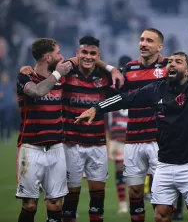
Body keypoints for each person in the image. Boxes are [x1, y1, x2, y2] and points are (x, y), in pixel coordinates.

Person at [75, 16, 188, 222]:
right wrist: (96, 108)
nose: (171, 64)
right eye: (170, 61)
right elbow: (126, 98)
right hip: (161, 160)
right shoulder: (154, 87)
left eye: (178, 62)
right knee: (158, 213)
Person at [20, 36, 124, 222]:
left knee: (97, 198)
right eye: (84, 52)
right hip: (70, 145)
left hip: (98, 143)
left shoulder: (106, 77)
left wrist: (113, 69)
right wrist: (27, 70)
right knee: (69, 201)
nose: (88, 57)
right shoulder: (65, 73)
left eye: (93, 54)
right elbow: (44, 75)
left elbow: (121, 93)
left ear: (98, 56)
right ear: (77, 54)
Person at [111, 28, 168, 222]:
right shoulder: (129, 69)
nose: (143, 43)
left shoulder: (169, 66)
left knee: (161, 196)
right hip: (133, 140)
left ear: (159, 47)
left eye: (149, 41)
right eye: (142, 39)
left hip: (159, 141)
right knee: (135, 192)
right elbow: (118, 97)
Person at [16, 38, 72, 222]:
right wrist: (56, 75)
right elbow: (37, 92)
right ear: (48, 57)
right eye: (58, 52)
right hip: (31, 148)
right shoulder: (25, 77)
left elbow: (86, 59)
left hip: (56, 147)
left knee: (56, 203)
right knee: (30, 204)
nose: (61, 56)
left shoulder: (62, 77)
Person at [106, 55, 132, 214]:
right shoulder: (113, 85)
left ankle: (127, 201)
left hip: (127, 136)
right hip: (121, 137)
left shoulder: (135, 84)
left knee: (125, 171)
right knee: (120, 170)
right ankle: (123, 203)